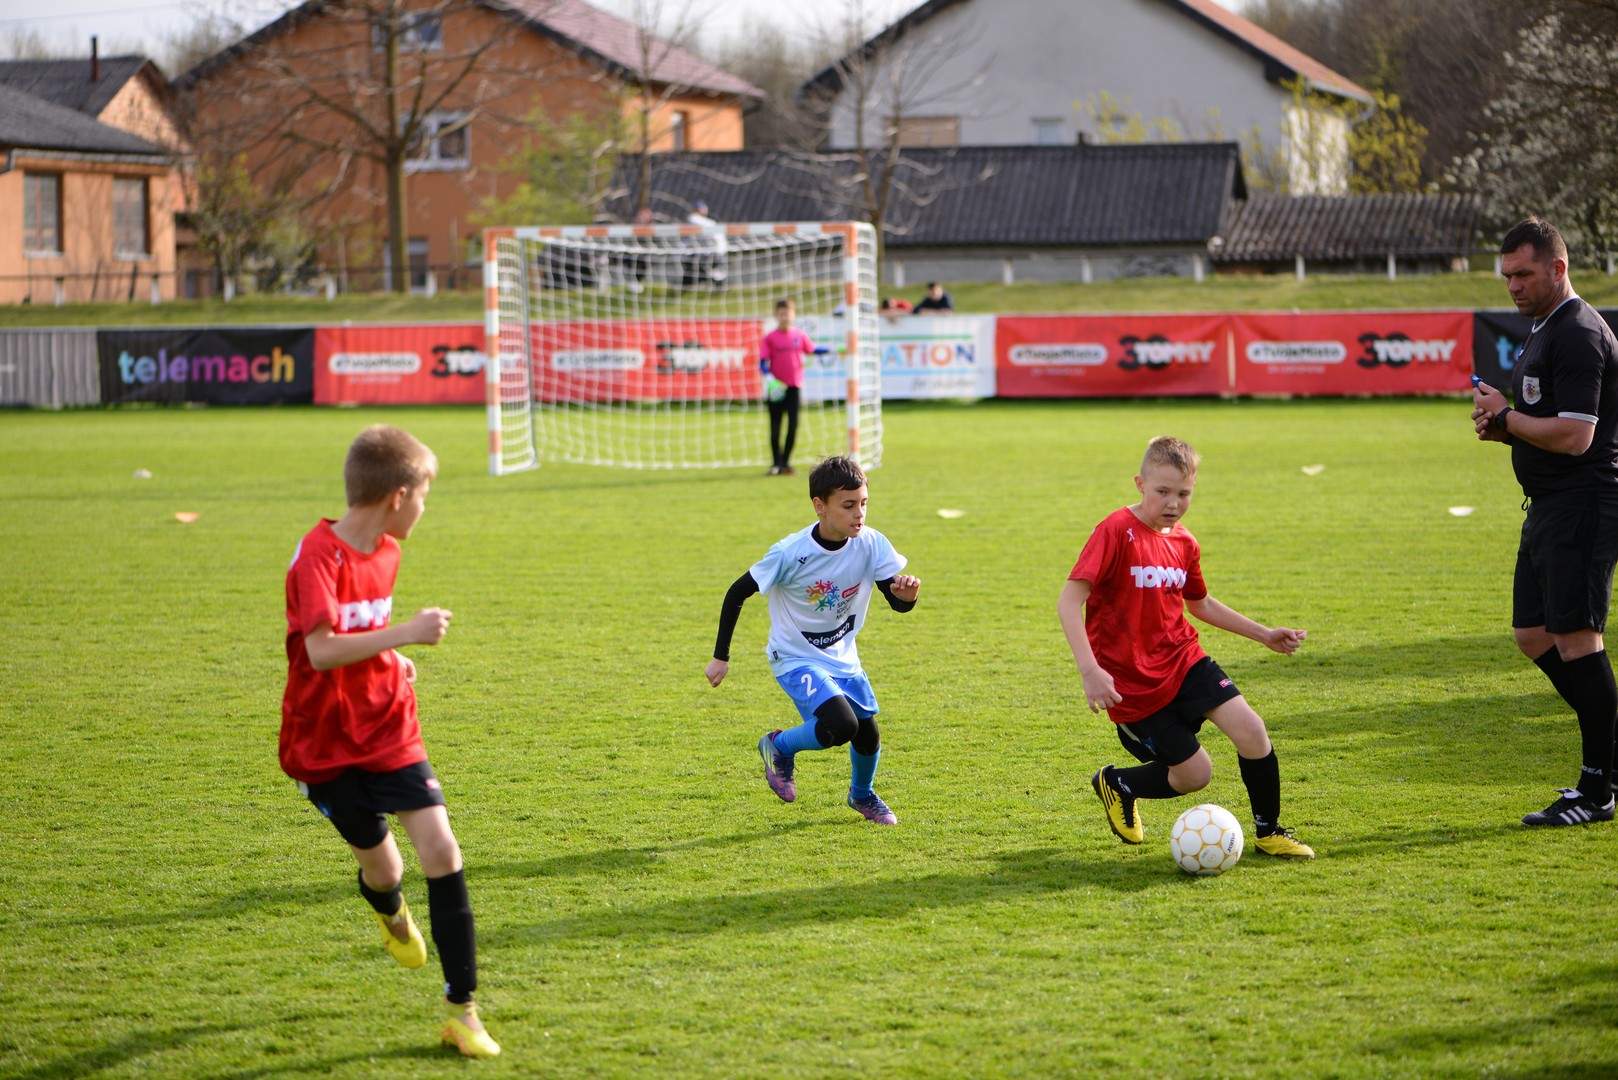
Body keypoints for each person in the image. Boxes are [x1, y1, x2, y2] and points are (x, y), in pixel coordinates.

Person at [280, 425, 500, 1058]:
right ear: (399, 495)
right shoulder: (318, 555)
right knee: (386, 870)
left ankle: (462, 1010)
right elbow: (322, 651)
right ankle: (389, 909)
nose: (425, 507)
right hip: (323, 742)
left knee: (442, 848)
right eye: (425, 495)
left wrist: (390, 660)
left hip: (388, 726)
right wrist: (405, 634)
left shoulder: (387, 550)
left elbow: (361, 633)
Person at [1058, 436, 1316, 858]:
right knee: (1196, 775)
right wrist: (1090, 671)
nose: (1173, 503)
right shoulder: (1115, 530)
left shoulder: (1184, 542)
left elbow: (1200, 604)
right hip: (1131, 682)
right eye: (1163, 491)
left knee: (1252, 731)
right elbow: (1069, 601)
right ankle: (1117, 783)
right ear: (1140, 484)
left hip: (1183, 659)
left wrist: (1265, 634)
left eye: (1184, 493)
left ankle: (1269, 831)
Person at [1472, 216, 1618, 827]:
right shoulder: (1543, 327)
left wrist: (1508, 419)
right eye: (1507, 276)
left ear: (1558, 268)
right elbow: (1543, 423)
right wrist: (1504, 429)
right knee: (1533, 634)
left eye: (1524, 274)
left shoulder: (1578, 332)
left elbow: (1577, 436)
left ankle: (1597, 789)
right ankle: (1609, 754)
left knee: (1578, 640)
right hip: (1549, 506)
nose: (1513, 286)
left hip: (1583, 504)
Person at [704, 456, 922, 825]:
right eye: (848, 505)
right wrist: (720, 656)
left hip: (842, 655)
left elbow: (896, 602)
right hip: (793, 657)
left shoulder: (871, 543)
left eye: (864, 503)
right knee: (843, 725)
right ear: (820, 506)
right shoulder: (791, 553)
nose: (859, 514)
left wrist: (907, 596)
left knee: (867, 735)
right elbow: (736, 592)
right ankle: (778, 746)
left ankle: (862, 795)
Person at [759, 298, 824, 476]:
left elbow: (812, 350)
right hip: (776, 389)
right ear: (776, 316)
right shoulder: (769, 338)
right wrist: (770, 379)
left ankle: (786, 463)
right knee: (775, 427)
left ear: (793, 315)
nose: (784, 317)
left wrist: (833, 350)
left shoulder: (799, 335)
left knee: (793, 425)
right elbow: (762, 363)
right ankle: (776, 463)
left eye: (787, 314)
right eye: (781, 314)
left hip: (794, 387)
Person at [684, 199, 726, 289]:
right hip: (699, 252)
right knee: (692, 268)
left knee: (715, 271)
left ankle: (717, 286)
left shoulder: (712, 219)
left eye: (703, 208)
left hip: (715, 251)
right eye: (699, 209)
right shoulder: (693, 220)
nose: (702, 210)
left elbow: (718, 236)